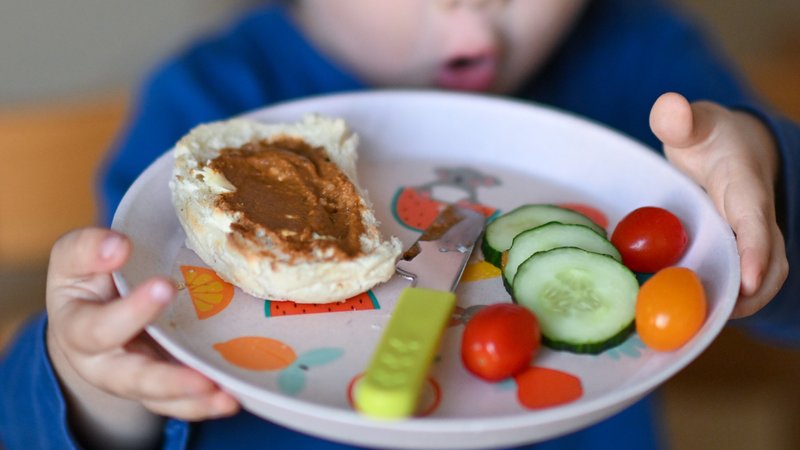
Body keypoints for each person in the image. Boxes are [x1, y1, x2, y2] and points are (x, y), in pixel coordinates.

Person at [1, 0, 798, 448]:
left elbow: (760, 267)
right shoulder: (204, 103)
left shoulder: (645, 63)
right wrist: (93, 391)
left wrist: (765, 182)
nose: (473, 10)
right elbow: (51, 411)